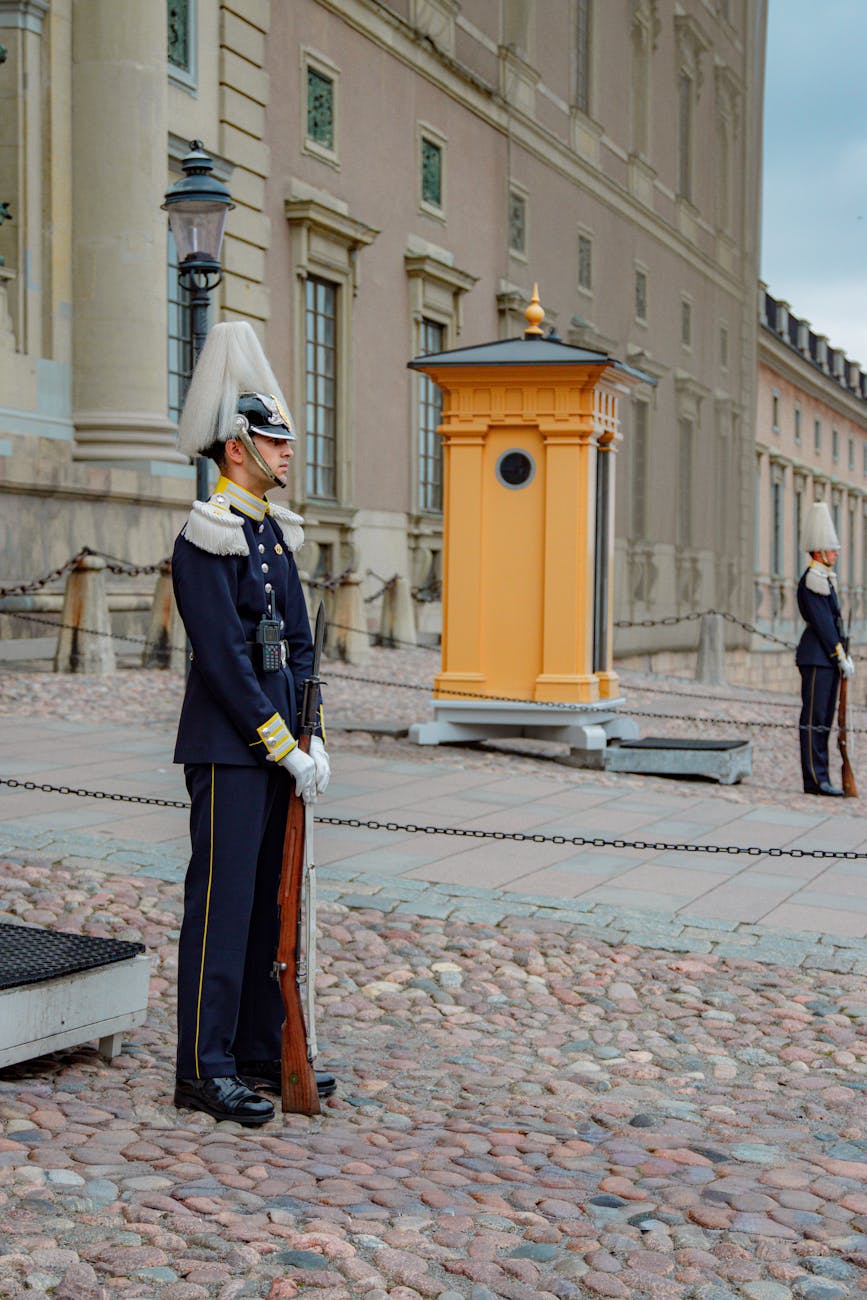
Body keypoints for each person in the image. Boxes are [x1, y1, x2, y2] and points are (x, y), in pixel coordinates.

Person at [171, 321, 333, 1125]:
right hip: (228, 752)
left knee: (269, 905)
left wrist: (313, 734)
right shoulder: (207, 536)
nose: (287, 453)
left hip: (275, 753)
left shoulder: (272, 536)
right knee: (224, 906)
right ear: (237, 449)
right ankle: (204, 1066)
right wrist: (279, 741)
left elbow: (299, 645)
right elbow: (228, 663)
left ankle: (262, 1050)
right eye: (274, 441)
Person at [795, 500, 854, 797]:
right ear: (818, 551)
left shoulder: (825, 578)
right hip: (818, 657)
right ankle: (815, 779)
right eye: (831, 549)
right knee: (815, 720)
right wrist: (839, 654)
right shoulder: (814, 580)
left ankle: (822, 776)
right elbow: (824, 625)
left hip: (825, 658)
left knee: (825, 722)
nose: (836, 553)